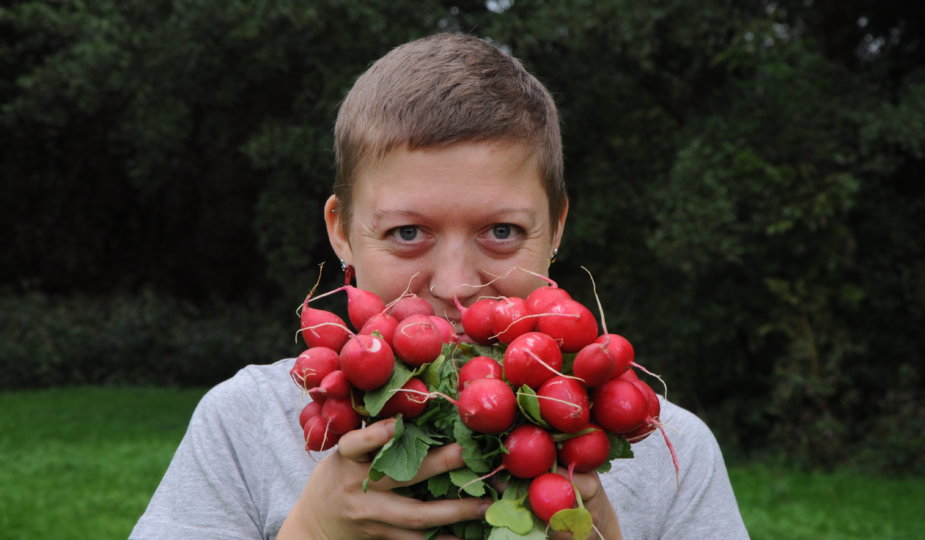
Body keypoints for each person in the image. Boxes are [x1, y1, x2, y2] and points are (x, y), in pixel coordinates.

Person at [131, 33, 749, 540]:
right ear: (341, 232)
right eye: (407, 234)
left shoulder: (675, 449)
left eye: (501, 231)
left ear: (557, 225)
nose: (456, 287)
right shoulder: (247, 425)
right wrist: (312, 530)